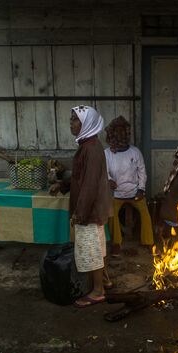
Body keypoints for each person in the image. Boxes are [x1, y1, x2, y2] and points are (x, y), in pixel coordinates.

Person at [49, 105, 113, 308]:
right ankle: (105, 281)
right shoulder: (87, 145)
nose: (71, 123)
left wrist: (80, 213)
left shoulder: (91, 149)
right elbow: (79, 178)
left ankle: (98, 291)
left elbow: (90, 185)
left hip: (90, 210)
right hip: (93, 209)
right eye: (71, 119)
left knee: (90, 249)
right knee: (97, 246)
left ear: (87, 123)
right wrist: (63, 185)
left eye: (76, 120)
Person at [104, 116, 154, 256]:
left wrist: (141, 189)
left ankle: (148, 242)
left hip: (134, 193)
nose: (121, 134)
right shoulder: (107, 154)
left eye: (123, 131)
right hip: (116, 194)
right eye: (117, 131)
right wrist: (109, 180)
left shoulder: (135, 151)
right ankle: (116, 244)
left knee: (145, 212)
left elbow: (142, 171)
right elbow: (104, 171)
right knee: (111, 214)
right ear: (112, 134)